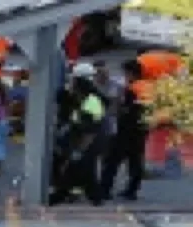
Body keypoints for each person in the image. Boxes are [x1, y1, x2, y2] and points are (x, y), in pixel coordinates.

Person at [50, 64, 106, 206]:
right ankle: (91, 198)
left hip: (88, 143)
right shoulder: (84, 99)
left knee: (81, 170)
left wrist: (79, 150)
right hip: (83, 141)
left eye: (74, 81)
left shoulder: (90, 102)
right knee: (82, 172)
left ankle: (62, 195)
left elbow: (90, 131)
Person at [99, 59, 150, 201]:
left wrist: (117, 106)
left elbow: (125, 110)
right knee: (135, 161)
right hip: (141, 129)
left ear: (131, 73)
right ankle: (132, 190)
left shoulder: (132, 89)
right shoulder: (147, 87)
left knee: (112, 160)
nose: (125, 76)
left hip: (126, 130)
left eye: (126, 73)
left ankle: (104, 190)